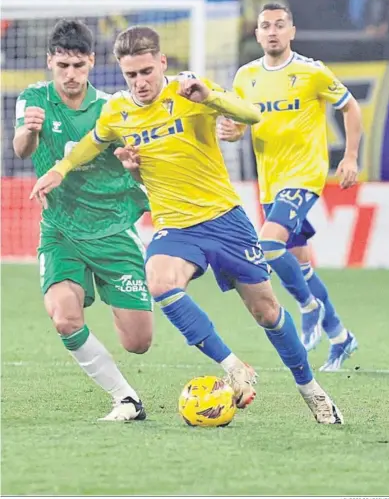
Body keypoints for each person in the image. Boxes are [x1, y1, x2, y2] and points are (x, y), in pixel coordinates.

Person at [30, 25, 344, 424]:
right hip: (176, 228)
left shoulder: (189, 92)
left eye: (146, 71)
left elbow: (252, 114)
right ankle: (233, 366)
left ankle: (310, 389)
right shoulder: (118, 111)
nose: (140, 82)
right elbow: (95, 139)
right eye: (131, 75)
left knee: (266, 312)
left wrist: (210, 97)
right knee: (159, 281)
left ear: (161, 62)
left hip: (225, 220)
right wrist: (60, 169)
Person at [13, 19, 154, 422]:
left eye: (78, 65)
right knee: (63, 316)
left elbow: (139, 170)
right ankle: (126, 398)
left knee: (138, 342)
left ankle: (115, 296)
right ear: (50, 63)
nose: (70, 75)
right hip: (61, 228)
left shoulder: (112, 108)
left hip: (112, 229)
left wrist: (133, 166)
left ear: (91, 62)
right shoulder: (35, 98)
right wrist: (30, 132)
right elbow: (22, 150)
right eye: (62, 66)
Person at [217, 3, 362, 371]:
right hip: (271, 181)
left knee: (268, 244)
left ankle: (307, 307)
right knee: (299, 264)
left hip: (305, 174)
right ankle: (341, 336)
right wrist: (230, 131)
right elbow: (239, 127)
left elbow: (351, 108)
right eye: (265, 25)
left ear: (292, 31)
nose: (273, 31)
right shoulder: (245, 77)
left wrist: (350, 157)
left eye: (280, 25)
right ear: (257, 34)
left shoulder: (311, 72)